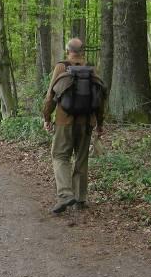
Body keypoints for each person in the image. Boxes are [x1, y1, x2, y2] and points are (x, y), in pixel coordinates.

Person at [42, 38, 105, 214]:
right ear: (82, 50)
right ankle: (80, 200)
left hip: (64, 121)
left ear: (67, 50)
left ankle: (64, 194)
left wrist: (47, 117)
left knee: (60, 156)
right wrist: (100, 123)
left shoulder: (61, 67)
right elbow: (101, 99)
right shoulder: (92, 69)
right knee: (81, 159)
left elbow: (50, 96)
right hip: (87, 123)